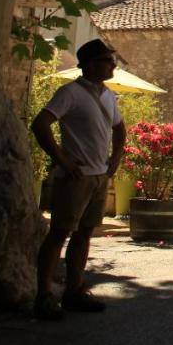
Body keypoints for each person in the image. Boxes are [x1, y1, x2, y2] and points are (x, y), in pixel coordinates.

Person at [31, 39, 126, 320]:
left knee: (84, 234)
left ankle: (74, 291)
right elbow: (40, 125)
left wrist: (115, 158)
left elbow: (120, 129)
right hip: (75, 177)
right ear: (91, 64)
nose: (113, 65)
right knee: (58, 234)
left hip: (98, 176)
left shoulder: (109, 96)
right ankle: (44, 296)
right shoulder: (70, 93)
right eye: (109, 60)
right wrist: (63, 160)